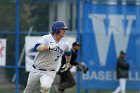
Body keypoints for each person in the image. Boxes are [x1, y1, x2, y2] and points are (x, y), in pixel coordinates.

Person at [23, 21, 72, 93]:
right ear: (56, 30)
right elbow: (36, 47)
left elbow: (68, 52)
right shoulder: (46, 38)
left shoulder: (65, 43)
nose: (64, 31)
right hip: (36, 69)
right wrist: (48, 47)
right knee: (28, 91)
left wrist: (68, 62)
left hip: (50, 71)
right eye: (62, 29)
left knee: (46, 87)